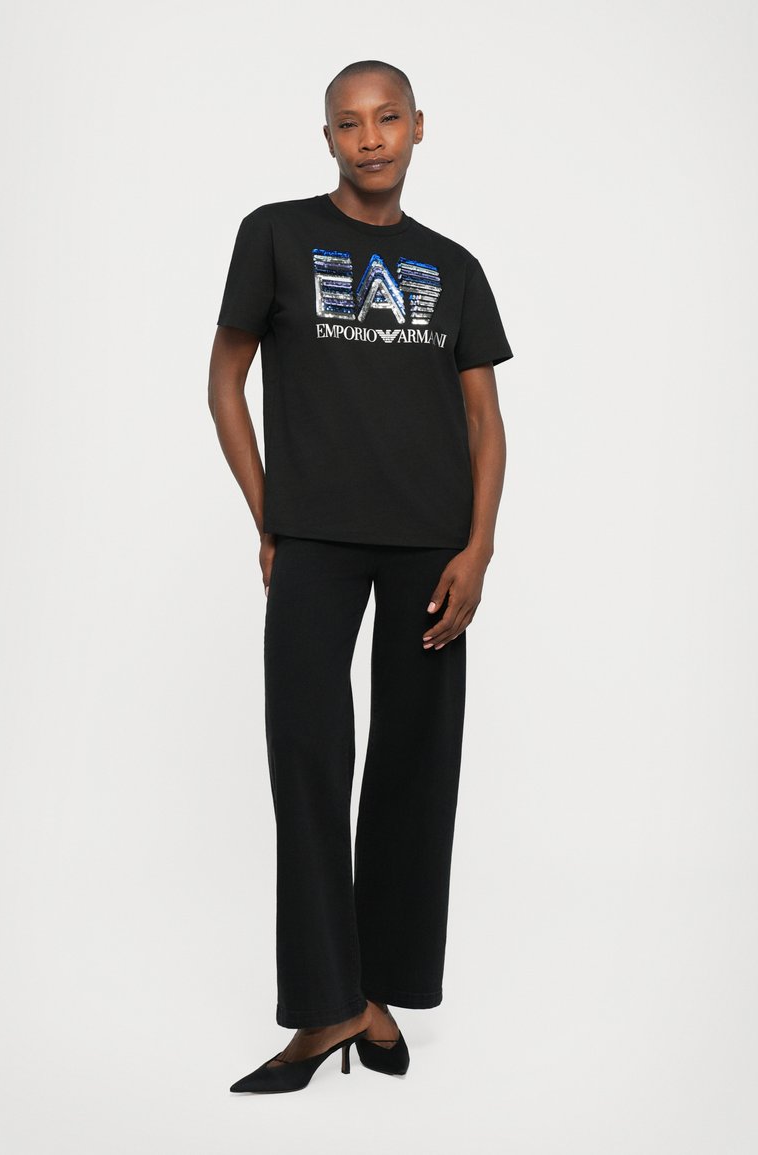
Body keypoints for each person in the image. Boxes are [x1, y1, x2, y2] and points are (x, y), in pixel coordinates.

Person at [208, 59, 513, 1094]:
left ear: (418, 127)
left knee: (415, 767)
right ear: (328, 137)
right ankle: (328, 1005)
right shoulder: (275, 234)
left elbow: (482, 418)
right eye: (349, 123)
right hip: (315, 540)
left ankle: (379, 991)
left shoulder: (453, 266)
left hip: (431, 543)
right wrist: (269, 517)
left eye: (387, 118)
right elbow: (225, 380)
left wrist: (477, 548)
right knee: (306, 757)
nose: (369, 137)